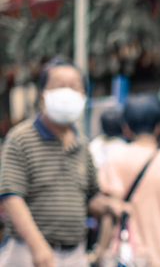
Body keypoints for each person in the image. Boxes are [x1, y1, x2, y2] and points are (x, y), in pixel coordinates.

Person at [0, 57, 121, 267]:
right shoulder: (21, 138)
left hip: (74, 254)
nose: (67, 92)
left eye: (75, 87)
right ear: (43, 94)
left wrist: (110, 205)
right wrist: (37, 246)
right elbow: (11, 196)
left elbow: (89, 198)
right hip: (28, 252)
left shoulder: (82, 145)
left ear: (84, 95)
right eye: (58, 86)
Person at [96, 95, 160, 267]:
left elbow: (112, 213)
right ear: (158, 127)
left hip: (128, 259)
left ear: (126, 128)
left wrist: (100, 252)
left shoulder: (117, 159)